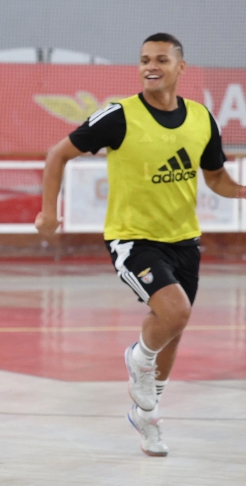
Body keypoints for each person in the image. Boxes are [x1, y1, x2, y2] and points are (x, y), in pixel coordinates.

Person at [35, 33, 245, 457]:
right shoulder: (119, 116)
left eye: (161, 59)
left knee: (175, 327)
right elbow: (58, 154)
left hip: (184, 239)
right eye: (145, 59)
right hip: (133, 238)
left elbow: (216, 179)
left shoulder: (202, 118)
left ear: (180, 67)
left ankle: (147, 416)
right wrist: (48, 212)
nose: (151, 65)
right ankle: (137, 356)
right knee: (175, 312)